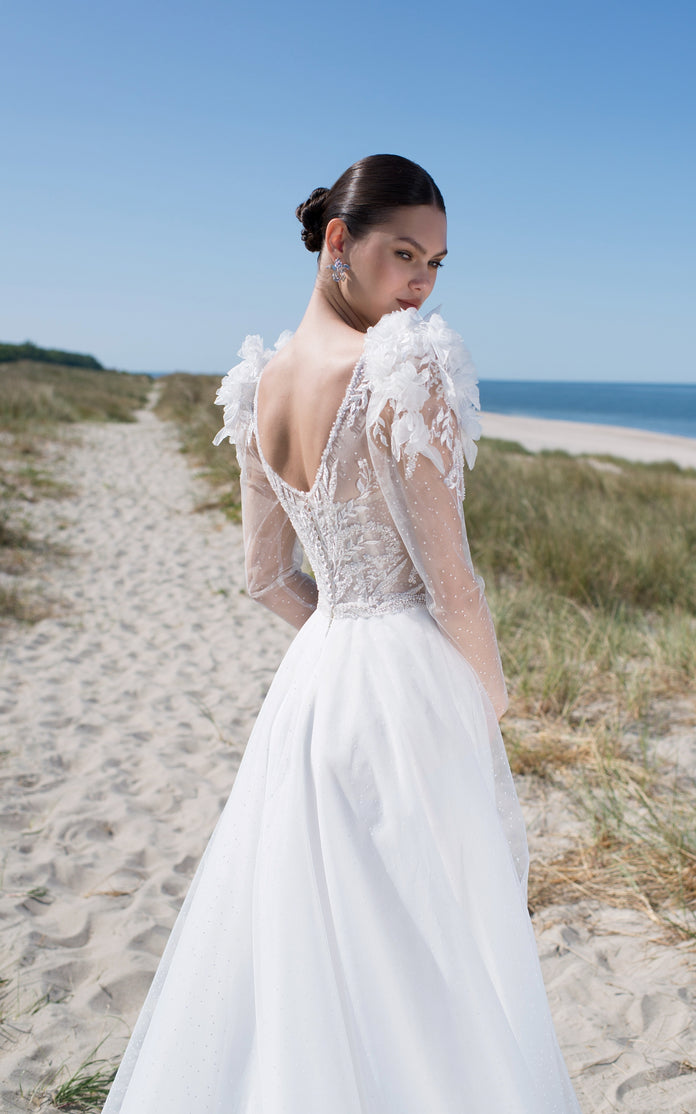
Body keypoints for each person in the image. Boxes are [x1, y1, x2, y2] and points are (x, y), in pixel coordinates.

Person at [102, 154, 583, 1113]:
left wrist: (344, 637)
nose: (421, 285)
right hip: (405, 689)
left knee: (314, 959)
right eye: (404, 254)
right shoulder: (403, 367)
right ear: (338, 242)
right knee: (431, 956)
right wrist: (485, 702)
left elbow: (266, 577)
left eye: (438, 264)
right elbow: (453, 587)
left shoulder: (255, 388)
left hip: (314, 694)